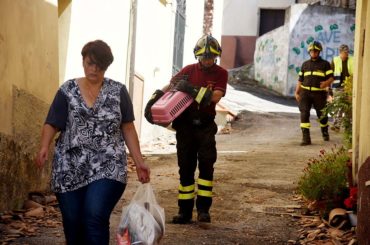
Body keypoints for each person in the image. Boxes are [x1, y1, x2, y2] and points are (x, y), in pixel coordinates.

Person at [35, 40, 150, 245]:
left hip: (108, 165)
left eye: (99, 65)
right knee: (73, 222)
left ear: (106, 66)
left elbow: (128, 128)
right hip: (69, 167)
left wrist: (139, 161)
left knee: (94, 215)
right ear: (83, 61)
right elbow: (52, 123)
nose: (94, 69)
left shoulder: (118, 91)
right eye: (90, 63)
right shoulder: (67, 90)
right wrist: (44, 146)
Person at [145, 34, 228, 224]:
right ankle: (184, 211)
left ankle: (204, 210)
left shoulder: (221, 73)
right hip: (185, 125)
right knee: (186, 168)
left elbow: (214, 97)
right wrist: (155, 98)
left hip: (205, 125)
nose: (207, 60)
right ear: (197, 56)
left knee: (206, 167)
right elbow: (171, 85)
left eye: (210, 57)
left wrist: (190, 89)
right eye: (203, 57)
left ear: (216, 56)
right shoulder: (188, 70)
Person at [294, 40, 334, 146]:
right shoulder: (305, 64)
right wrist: (297, 92)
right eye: (311, 51)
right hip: (305, 93)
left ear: (319, 52)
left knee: (322, 115)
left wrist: (326, 83)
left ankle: (324, 130)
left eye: (315, 51)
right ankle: (306, 138)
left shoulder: (325, 64)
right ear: (309, 52)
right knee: (304, 113)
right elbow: (300, 79)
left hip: (319, 94)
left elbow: (331, 78)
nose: (313, 53)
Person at [330, 44, 354, 131]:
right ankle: (336, 125)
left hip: (349, 87)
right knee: (339, 106)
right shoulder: (335, 60)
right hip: (337, 87)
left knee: (348, 107)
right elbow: (330, 74)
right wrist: (328, 88)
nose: (346, 54)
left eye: (347, 52)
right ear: (340, 53)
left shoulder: (352, 60)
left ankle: (348, 126)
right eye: (344, 53)